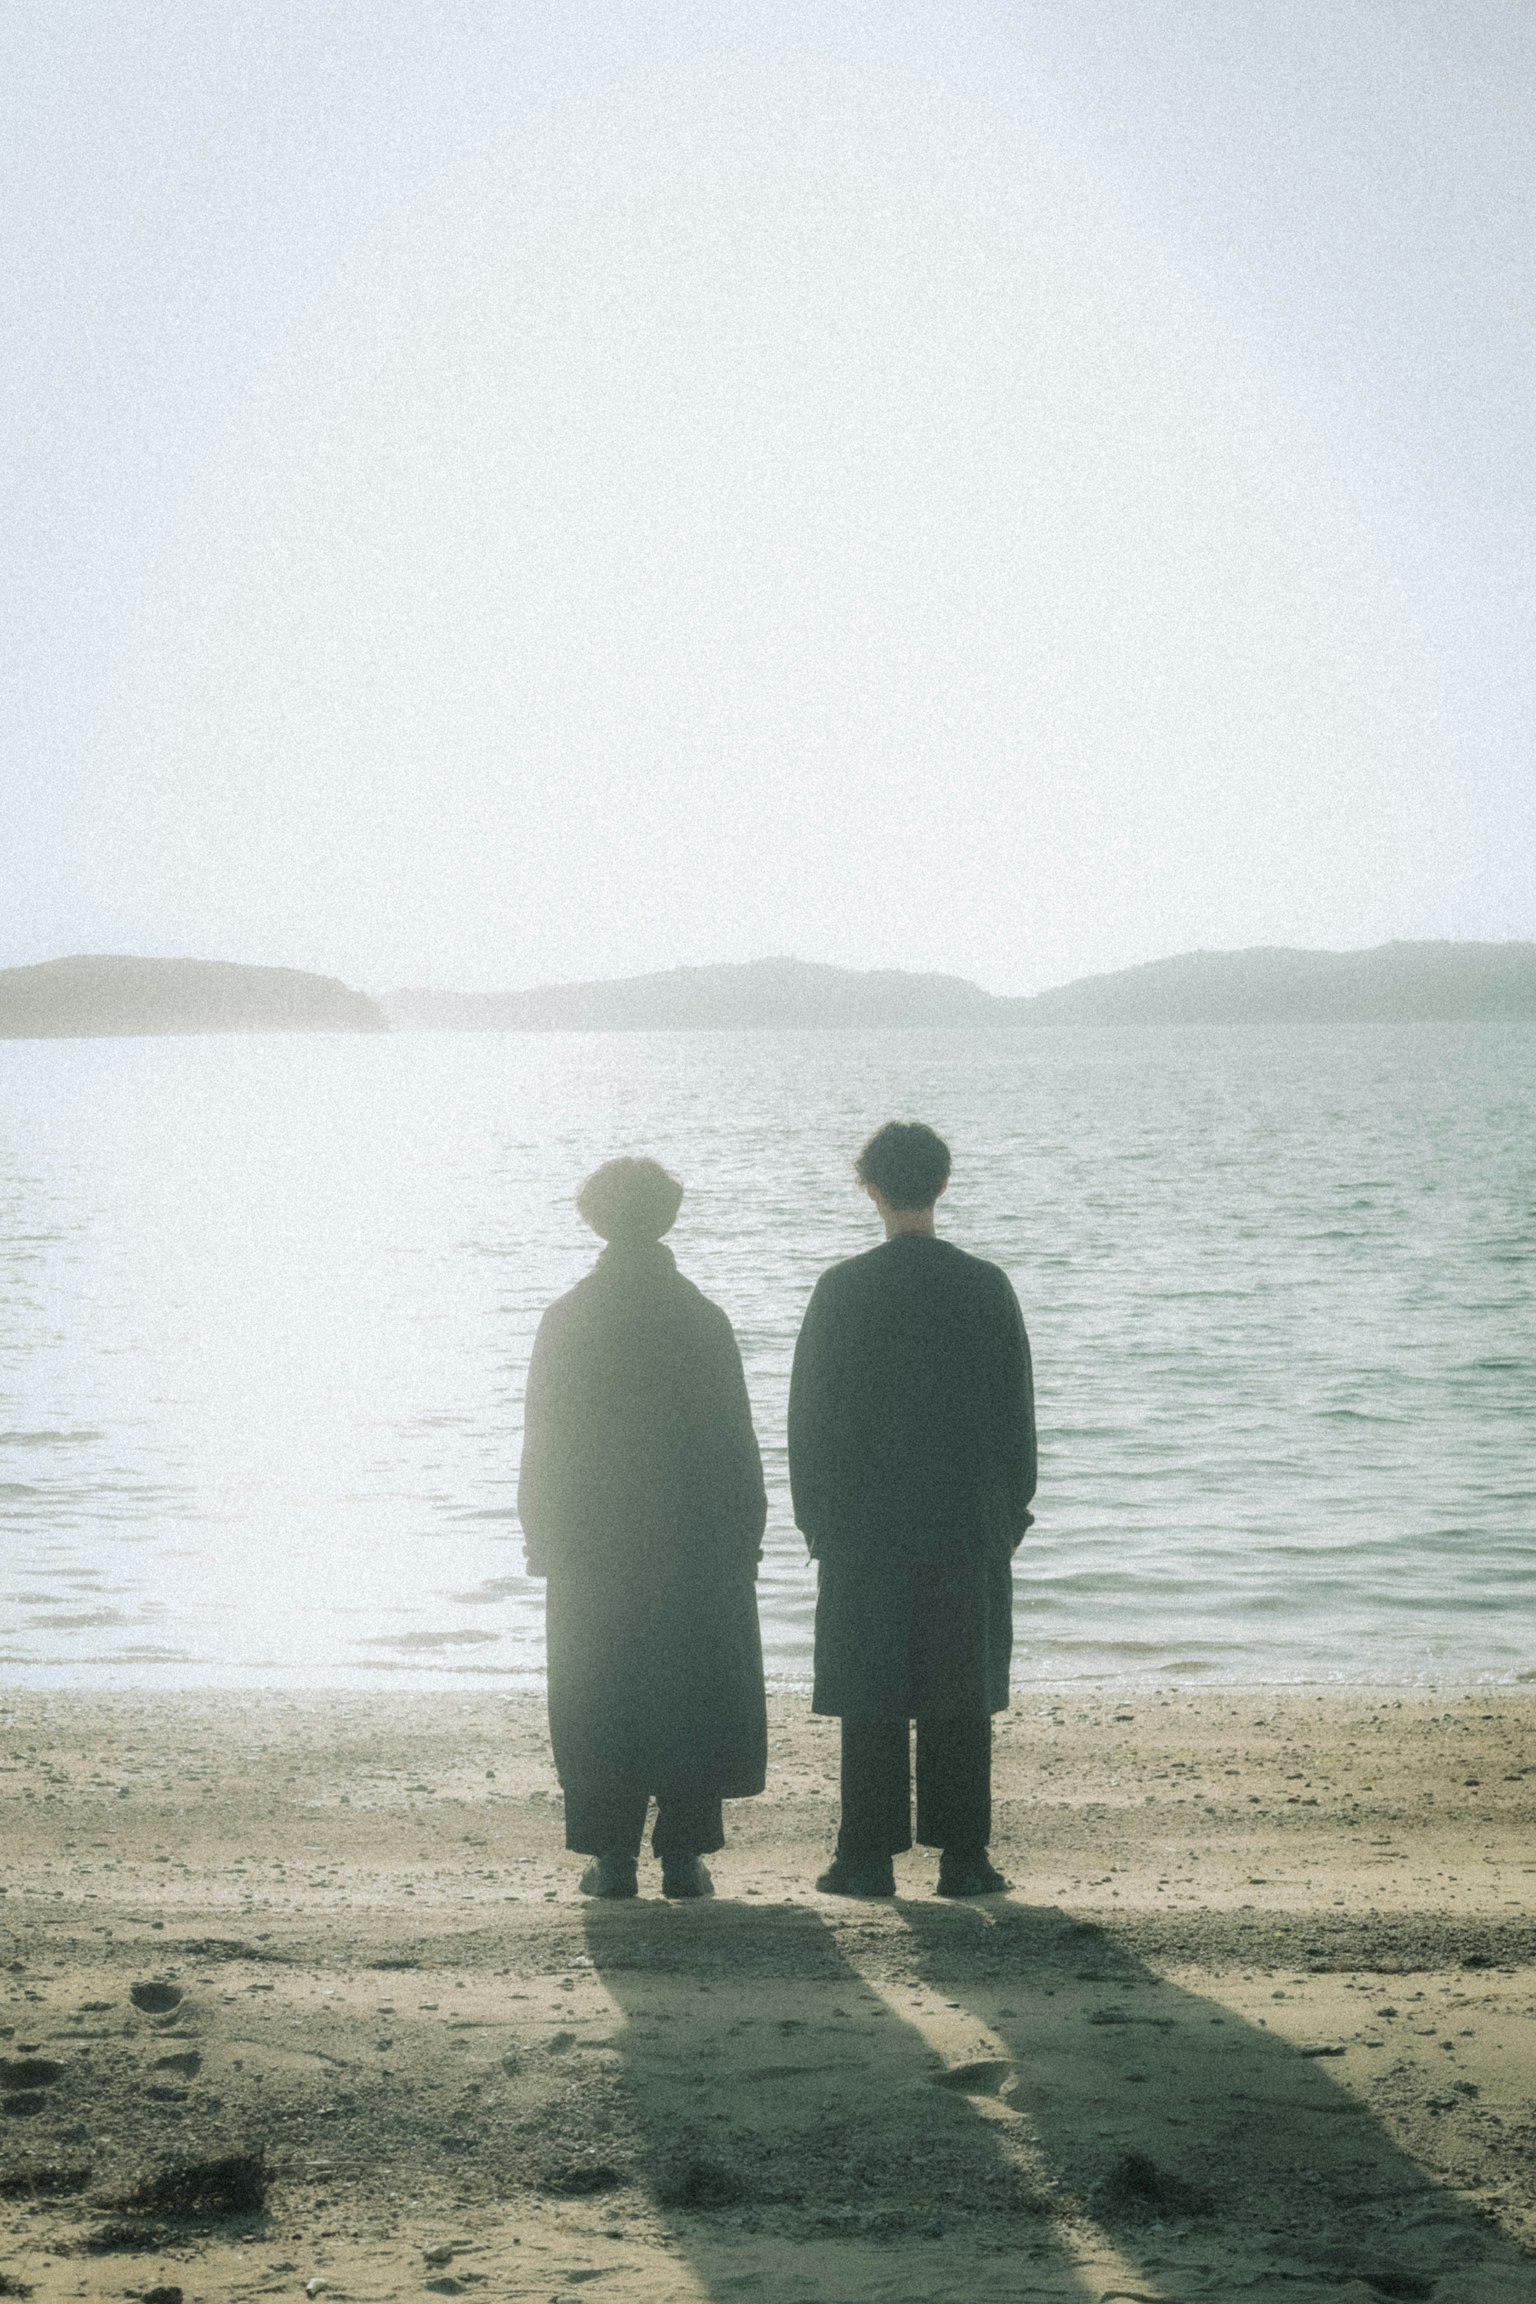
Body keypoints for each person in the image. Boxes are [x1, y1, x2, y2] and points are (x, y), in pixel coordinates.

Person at [788, 1121, 1036, 1898]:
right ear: (943, 1185)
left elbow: (809, 1419)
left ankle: (865, 1857)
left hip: (863, 1522)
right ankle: (964, 1859)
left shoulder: (842, 1288)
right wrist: (1011, 1516)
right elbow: (1015, 1417)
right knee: (958, 1692)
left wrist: (814, 1520)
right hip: (965, 1518)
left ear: (870, 1189)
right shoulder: (984, 1284)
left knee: (871, 1690)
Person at [518, 1156, 768, 1899]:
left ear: (593, 1220)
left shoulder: (566, 1318)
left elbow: (544, 1440)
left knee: (599, 1690)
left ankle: (612, 1858)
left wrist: (540, 1534)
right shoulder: (702, 1317)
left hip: (592, 1538)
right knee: (690, 1689)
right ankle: (686, 1858)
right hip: (694, 1539)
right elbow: (735, 1440)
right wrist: (747, 1535)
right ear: (668, 1218)